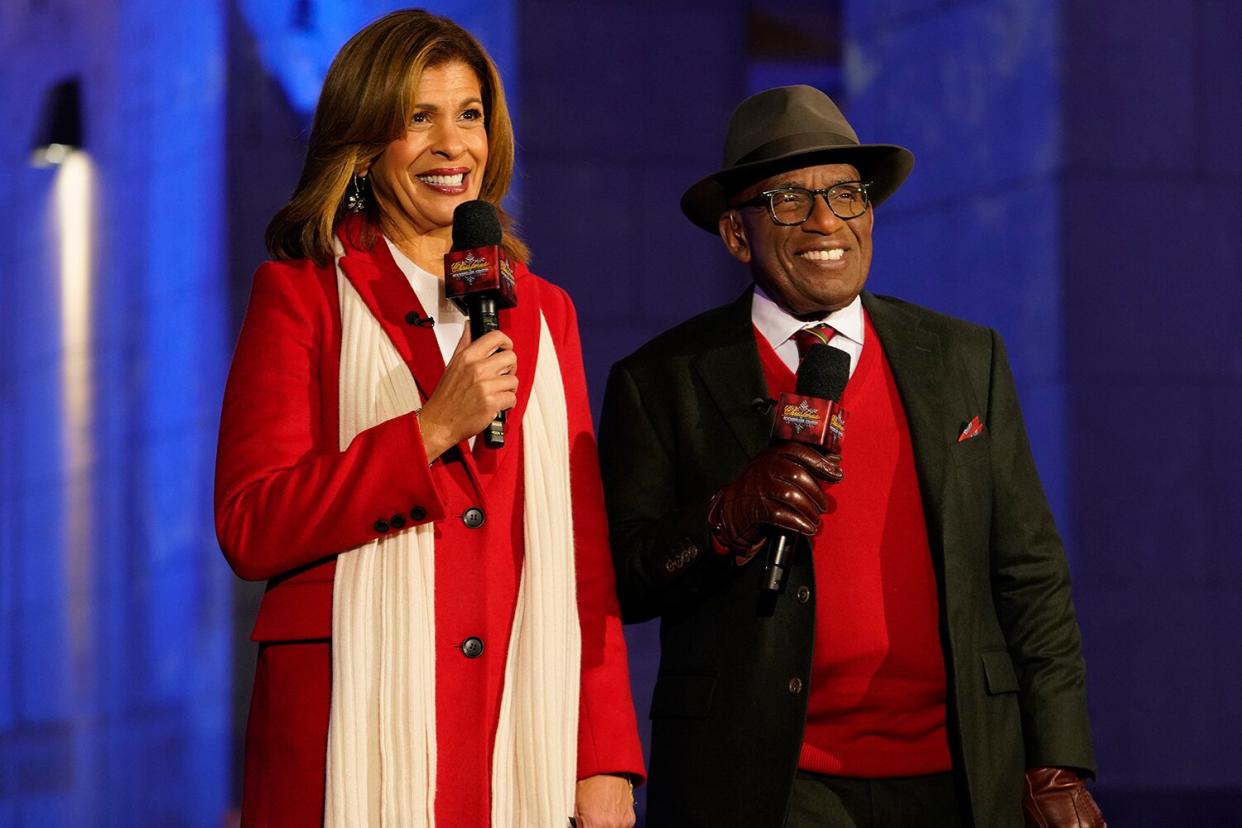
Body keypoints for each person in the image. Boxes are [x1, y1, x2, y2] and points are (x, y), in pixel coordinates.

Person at [598, 85, 1105, 827]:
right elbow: (624, 579)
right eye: (789, 202)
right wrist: (723, 519)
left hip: (960, 773)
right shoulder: (661, 380)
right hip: (766, 782)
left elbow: (1029, 575)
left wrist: (1055, 760)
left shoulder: (966, 359)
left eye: (845, 194)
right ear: (738, 235)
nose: (827, 221)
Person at [214, 10, 642, 826]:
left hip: (516, 735)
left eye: (470, 114)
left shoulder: (545, 313)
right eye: (420, 117)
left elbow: (586, 563)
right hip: (351, 731)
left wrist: (604, 760)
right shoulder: (302, 297)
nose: (454, 145)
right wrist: (426, 431)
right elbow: (250, 523)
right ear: (366, 144)